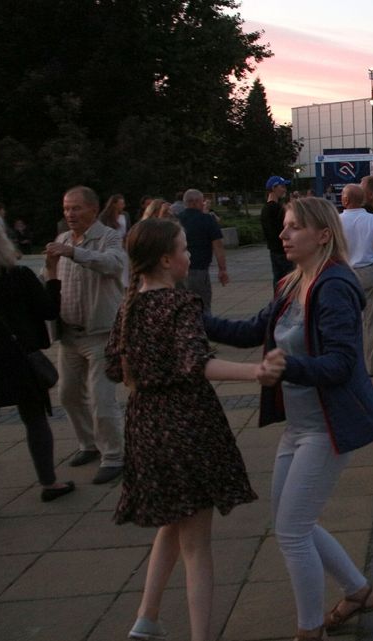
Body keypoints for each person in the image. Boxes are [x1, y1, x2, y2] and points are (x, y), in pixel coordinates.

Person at [204, 197, 373, 640]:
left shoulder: (334, 285)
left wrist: (286, 365)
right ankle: (359, 591)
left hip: (327, 427)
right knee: (293, 523)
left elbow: (343, 364)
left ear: (323, 234)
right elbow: (253, 330)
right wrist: (195, 318)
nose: (283, 235)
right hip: (301, 426)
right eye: (284, 227)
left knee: (291, 531)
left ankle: (310, 631)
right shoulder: (293, 282)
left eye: (293, 228)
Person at [105, 218, 264, 641]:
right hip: (187, 425)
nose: (190, 255)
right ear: (166, 259)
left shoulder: (129, 305)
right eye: (184, 248)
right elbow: (199, 362)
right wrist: (256, 372)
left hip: (145, 426)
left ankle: (146, 618)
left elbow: (112, 366)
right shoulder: (180, 304)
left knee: (172, 523)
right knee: (196, 545)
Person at [0, 211, 75, 509]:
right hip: (20, 359)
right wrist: (52, 275)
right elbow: (49, 310)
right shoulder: (18, 276)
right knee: (35, 419)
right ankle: (49, 482)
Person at [47, 185, 128, 484]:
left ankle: (114, 455)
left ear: (93, 210)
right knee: (68, 394)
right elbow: (53, 281)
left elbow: (113, 265)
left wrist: (74, 253)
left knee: (102, 399)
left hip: (100, 334)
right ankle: (88, 444)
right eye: (66, 208)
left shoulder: (108, 237)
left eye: (76, 208)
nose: (70, 214)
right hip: (70, 335)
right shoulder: (62, 239)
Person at [339, 184, 373, 376]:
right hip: (370, 271)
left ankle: (348, 362)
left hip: (345, 273)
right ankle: (372, 365)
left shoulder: (336, 220)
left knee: (348, 320)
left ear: (345, 200)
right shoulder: (372, 220)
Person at [177, 189, 229, 314]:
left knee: (180, 307)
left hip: (177, 272)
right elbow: (218, 246)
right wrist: (222, 269)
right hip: (199, 270)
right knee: (202, 307)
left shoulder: (176, 221)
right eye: (202, 201)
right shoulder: (208, 220)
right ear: (197, 202)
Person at [262, 176, 293, 288]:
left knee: (279, 281)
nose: (285, 189)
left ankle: (278, 302)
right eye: (282, 186)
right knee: (290, 281)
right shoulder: (276, 208)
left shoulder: (265, 208)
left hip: (274, 251)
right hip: (283, 251)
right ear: (274, 188)